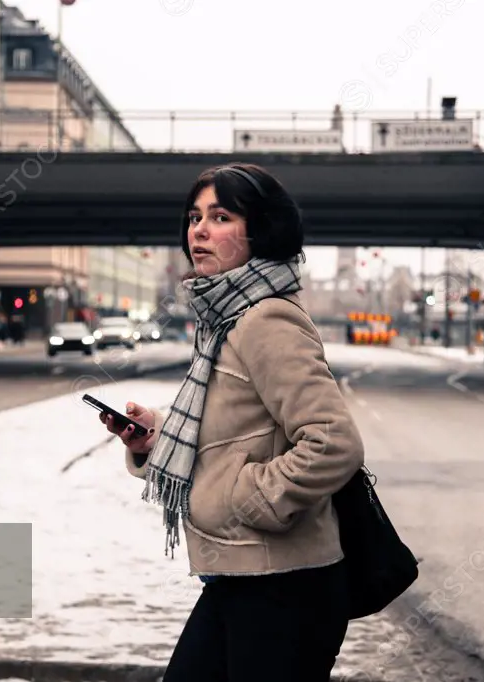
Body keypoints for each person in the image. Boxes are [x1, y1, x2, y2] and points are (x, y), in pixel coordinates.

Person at [100, 162, 366, 681]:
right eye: (194, 217)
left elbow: (334, 443)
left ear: (260, 229)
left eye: (219, 216)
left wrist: (250, 497)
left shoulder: (266, 319)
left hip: (285, 588)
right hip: (239, 578)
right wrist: (156, 435)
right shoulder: (225, 316)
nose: (198, 230)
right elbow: (232, 429)